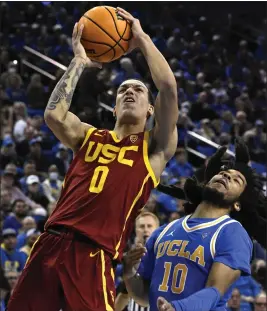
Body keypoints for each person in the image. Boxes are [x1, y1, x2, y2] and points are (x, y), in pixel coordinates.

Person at [7, 7, 178, 311]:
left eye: (138, 90)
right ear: (113, 108)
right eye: (123, 89)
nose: (129, 92)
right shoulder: (88, 136)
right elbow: (53, 115)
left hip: (93, 254)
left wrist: (141, 39)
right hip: (48, 243)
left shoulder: (154, 149)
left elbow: (167, 87)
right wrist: (79, 62)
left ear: (150, 110)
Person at [122, 140, 266, 311]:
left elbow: (214, 291)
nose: (226, 175)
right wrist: (128, 272)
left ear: (238, 204)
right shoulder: (163, 231)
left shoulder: (233, 233)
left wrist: (178, 308)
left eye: (237, 180)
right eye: (224, 172)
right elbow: (145, 296)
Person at [115, 212, 159, 311]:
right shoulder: (129, 258)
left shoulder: (165, 257)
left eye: (149, 226)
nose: (146, 230)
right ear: (136, 230)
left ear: (158, 229)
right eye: (142, 226)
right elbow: (124, 294)